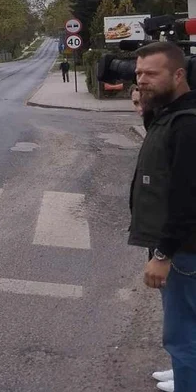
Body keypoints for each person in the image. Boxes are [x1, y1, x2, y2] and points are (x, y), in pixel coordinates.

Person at [128, 41, 196, 392]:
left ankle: (188, 377)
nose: (141, 80)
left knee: (183, 331)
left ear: (179, 74)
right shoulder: (171, 113)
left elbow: (187, 199)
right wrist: (146, 111)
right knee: (181, 321)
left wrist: (162, 254)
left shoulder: (187, 123)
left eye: (151, 73)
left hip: (184, 249)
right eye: (139, 73)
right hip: (176, 246)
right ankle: (183, 370)